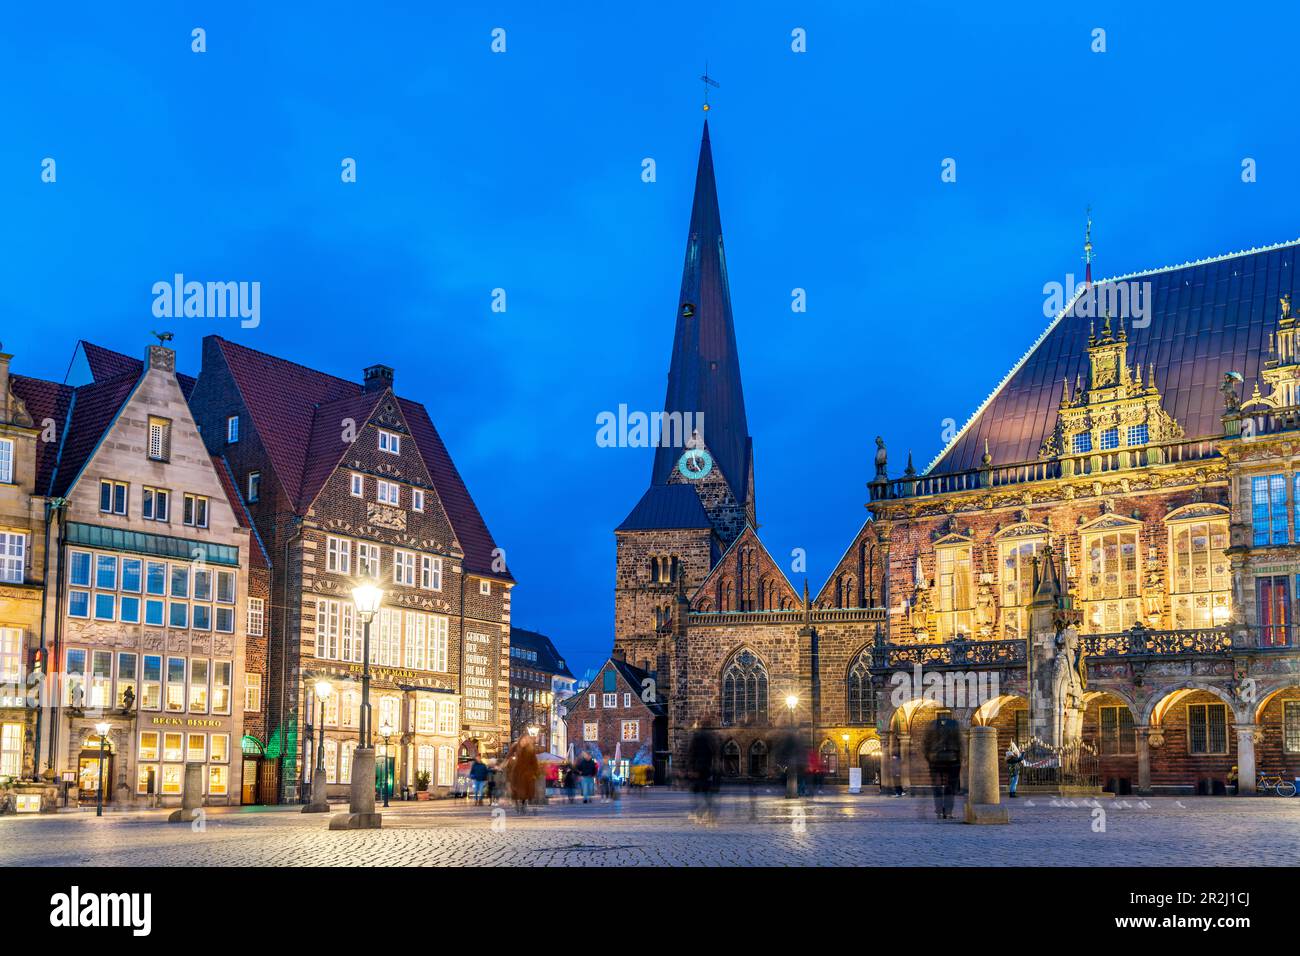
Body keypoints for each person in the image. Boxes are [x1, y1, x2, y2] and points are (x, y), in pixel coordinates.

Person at [922, 715, 962, 820]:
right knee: (950, 786)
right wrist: (960, 758)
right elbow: (960, 742)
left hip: (935, 760)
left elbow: (925, 743)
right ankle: (948, 811)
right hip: (952, 759)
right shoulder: (954, 724)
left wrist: (929, 757)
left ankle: (939, 811)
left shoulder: (932, 725)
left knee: (937, 787)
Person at [506, 734, 540, 815]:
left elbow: (534, 761)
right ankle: (518, 804)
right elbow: (508, 756)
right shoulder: (515, 746)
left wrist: (536, 772)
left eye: (526, 740)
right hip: (517, 771)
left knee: (526, 791)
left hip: (527, 772)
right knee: (517, 789)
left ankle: (523, 805)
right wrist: (503, 764)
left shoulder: (530, 749)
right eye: (523, 739)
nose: (524, 741)